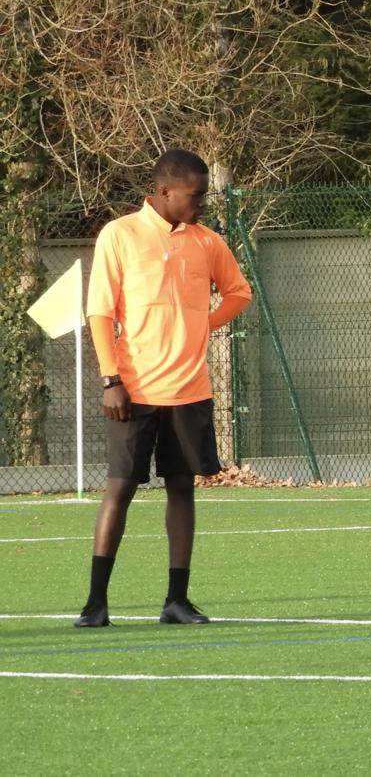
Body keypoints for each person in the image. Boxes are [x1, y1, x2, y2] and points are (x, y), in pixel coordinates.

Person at [74, 149, 252, 628]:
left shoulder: (207, 241)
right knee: (120, 489)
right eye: (195, 196)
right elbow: (100, 313)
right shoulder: (120, 235)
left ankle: (176, 600)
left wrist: (203, 327)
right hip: (132, 391)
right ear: (164, 191)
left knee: (182, 490)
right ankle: (95, 605)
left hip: (189, 390)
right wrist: (111, 380)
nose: (201, 204)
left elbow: (239, 292)